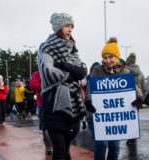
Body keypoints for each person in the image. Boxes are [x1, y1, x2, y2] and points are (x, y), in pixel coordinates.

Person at [38, 12, 88, 160]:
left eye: (72, 26)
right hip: (54, 105)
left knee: (66, 150)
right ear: (59, 27)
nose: (70, 29)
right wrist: (71, 75)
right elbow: (48, 72)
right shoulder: (46, 47)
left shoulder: (73, 48)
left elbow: (83, 72)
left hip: (75, 106)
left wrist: (65, 66)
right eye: (67, 25)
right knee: (59, 150)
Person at [85, 37, 143, 160]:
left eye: (111, 57)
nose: (108, 60)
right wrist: (88, 100)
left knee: (115, 146)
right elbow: (91, 86)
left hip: (116, 117)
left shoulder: (125, 72)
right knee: (101, 143)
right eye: (105, 57)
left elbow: (135, 88)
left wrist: (140, 98)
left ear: (117, 57)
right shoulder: (97, 70)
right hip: (97, 115)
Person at [30, 71, 53, 155]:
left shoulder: (54, 71)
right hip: (42, 103)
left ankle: (55, 144)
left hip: (57, 102)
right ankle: (49, 146)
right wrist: (48, 85)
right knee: (45, 126)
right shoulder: (37, 73)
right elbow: (32, 85)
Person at [125, 53, 145, 145]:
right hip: (138, 96)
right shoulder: (140, 72)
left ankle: (130, 136)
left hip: (128, 96)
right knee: (135, 117)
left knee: (127, 117)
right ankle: (134, 136)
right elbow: (143, 87)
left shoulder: (126, 70)